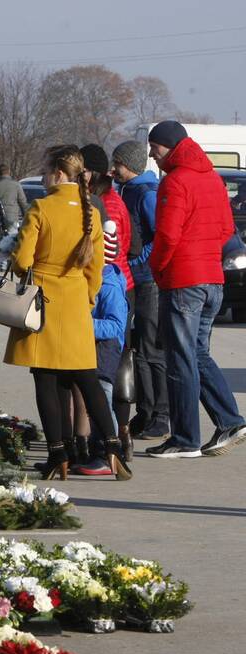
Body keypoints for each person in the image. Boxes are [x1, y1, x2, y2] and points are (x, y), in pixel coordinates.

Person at [4, 144, 129, 481]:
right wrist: (86, 300)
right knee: (86, 377)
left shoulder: (42, 208)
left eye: (46, 170)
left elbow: (22, 262)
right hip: (76, 302)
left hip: (43, 303)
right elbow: (97, 269)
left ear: (58, 173)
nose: (44, 176)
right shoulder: (92, 211)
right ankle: (114, 446)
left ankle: (58, 454)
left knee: (46, 380)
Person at [143, 120, 246, 458]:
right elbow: (227, 229)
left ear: (170, 146)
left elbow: (167, 235)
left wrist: (157, 268)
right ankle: (230, 420)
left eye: (154, 147)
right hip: (212, 278)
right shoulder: (212, 178)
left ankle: (185, 439)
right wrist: (204, 255)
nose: (151, 154)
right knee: (197, 353)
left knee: (180, 359)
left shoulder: (175, 181)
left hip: (184, 280)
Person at [80, 143, 136, 456]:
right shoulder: (107, 200)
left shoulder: (106, 205)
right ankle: (111, 434)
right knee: (112, 366)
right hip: (113, 283)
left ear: (93, 172)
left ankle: (114, 435)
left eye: (83, 170)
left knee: (108, 369)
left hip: (110, 287)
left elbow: (115, 250)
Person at [112, 140, 169, 441]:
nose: (114, 169)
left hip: (148, 282)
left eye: (117, 164)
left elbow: (159, 237)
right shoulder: (128, 190)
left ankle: (160, 414)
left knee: (151, 350)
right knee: (138, 351)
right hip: (134, 280)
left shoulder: (147, 194)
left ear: (129, 165)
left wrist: (138, 263)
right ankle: (145, 412)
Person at [74, 225, 129, 476]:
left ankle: (108, 453)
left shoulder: (108, 285)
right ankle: (104, 447)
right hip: (93, 343)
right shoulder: (97, 279)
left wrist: (82, 321)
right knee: (95, 399)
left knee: (102, 398)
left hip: (105, 347)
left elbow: (116, 325)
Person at [0, 163, 28, 229]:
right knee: (11, 237)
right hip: (12, 218)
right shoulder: (16, 185)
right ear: (9, 171)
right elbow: (23, 202)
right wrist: (26, 217)